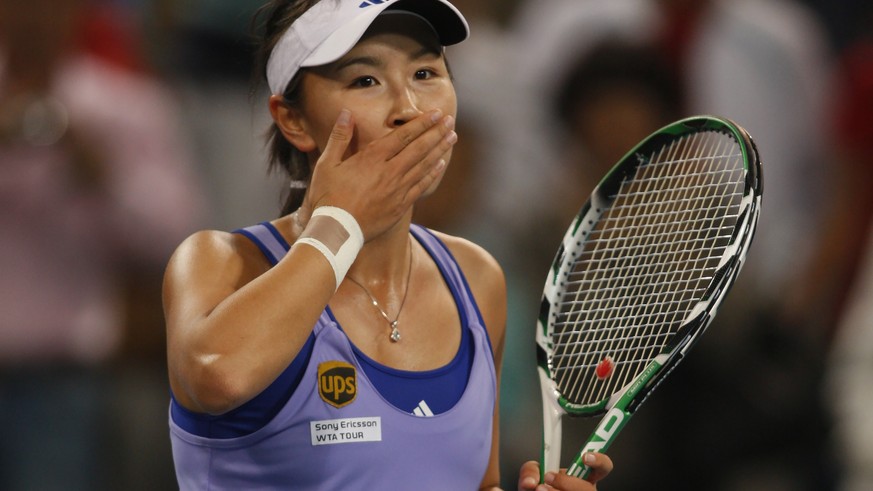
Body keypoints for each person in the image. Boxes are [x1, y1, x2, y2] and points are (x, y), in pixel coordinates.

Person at [162, 0, 613, 489]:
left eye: (425, 72)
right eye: (365, 81)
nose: (410, 110)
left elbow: (479, 481)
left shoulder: (476, 277)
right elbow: (217, 375)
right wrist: (343, 220)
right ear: (292, 120)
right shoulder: (218, 262)